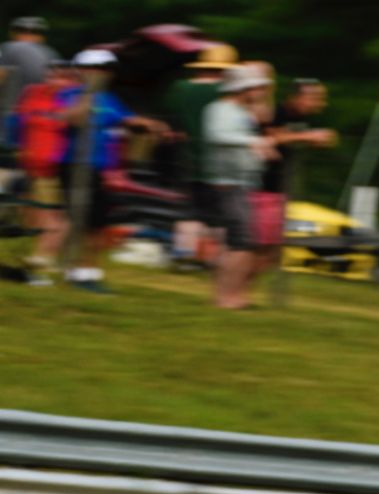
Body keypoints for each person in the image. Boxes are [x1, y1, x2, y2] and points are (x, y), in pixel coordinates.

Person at [55, 49, 169, 292]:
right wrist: (89, 92)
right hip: (74, 164)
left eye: (107, 69)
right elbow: (72, 119)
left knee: (98, 223)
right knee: (80, 221)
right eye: (99, 68)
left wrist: (151, 125)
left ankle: (86, 272)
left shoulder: (109, 98)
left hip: (99, 167)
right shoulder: (68, 95)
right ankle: (75, 271)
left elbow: (127, 120)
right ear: (84, 70)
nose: (105, 74)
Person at [203, 65, 277, 309]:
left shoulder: (238, 110)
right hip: (230, 184)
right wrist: (253, 141)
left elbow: (264, 116)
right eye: (257, 87)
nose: (260, 91)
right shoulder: (220, 109)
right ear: (243, 88)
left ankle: (234, 296)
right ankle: (227, 298)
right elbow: (216, 135)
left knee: (242, 244)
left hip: (243, 184)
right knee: (240, 244)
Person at [165, 44, 237, 266]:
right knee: (218, 213)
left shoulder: (181, 88)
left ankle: (183, 255)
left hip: (186, 156)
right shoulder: (226, 93)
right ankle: (212, 259)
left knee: (189, 209)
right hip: (220, 160)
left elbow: (171, 120)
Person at [258, 77, 338, 275]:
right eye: (315, 98)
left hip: (279, 187)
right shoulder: (276, 112)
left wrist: (313, 140)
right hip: (259, 185)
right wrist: (308, 137)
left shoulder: (301, 119)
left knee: (272, 245)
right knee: (260, 243)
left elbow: (289, 138)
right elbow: (271, 137)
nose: (321, 104)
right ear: (296, 97)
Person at [11, 57, 75, 282]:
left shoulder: (73, 98)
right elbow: (19, 122)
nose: (55, 81)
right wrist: (19, 148)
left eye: (62, 77)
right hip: (31, 163)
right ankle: (49, 257)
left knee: (51, 215)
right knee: (36, 214)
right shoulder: (33, 92)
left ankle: (43, 257)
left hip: (56, 166)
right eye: (51, 75)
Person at [0, 17, 59, 123]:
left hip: (10, 114)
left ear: (12, 33)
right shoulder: (52, 54)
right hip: (41, 116)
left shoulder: (8, 48)